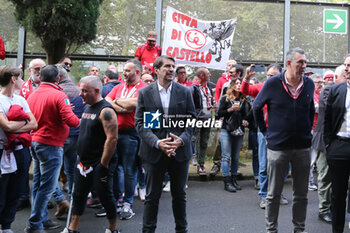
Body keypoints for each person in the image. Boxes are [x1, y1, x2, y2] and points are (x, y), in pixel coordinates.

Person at [253, 48, 314, 233]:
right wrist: (266, 133)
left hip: (303, 148)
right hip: (277, 148)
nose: (304, 66)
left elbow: (310, 109)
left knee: (301, 195)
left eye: (304, 62)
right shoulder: (273, 83)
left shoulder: (309, 84)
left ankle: (299, 229)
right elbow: (256, 107)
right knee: (273, 195)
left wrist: (306, 131)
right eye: (300, 62)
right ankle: (271, 230)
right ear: (289, 63)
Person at [135, 55, 196, 233]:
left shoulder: (184, 92)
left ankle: (181, 230)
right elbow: (141, 124)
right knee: (152, 197)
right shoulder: (145, 93)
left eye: (173, 66)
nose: (171, 69)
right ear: (156, 70)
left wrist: (182, 140)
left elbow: (191, 120)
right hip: (154, 153)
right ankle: (148, 230)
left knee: (179, 196)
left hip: (180, 153)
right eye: (167, 66)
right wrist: (157, 143)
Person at [25, 65, 80, 233]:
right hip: (51, 145)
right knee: (47, 186)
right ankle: (35, 223)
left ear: (40, 78)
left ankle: (39, 218)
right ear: (58, 79)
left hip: (35, 142)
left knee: (38, 184)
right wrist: (84, 121)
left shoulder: (33, 95)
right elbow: (71, 121)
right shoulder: (59, 95)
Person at [61, 75, 119, 233]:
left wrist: (104, 164)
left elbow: (112, 138)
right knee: (78, 195)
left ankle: (112, 229)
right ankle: (72, 228)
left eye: (85, 91)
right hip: (83, 162)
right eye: (81, 90)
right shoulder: (87, 106)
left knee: (105, 196)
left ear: (97, 90)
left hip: (100, 163)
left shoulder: (106, 110)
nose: (81, 94)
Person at [241, 63, 289, 209]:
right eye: (268, 75)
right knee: (264, 164)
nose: (269, 78)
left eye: (273, 76)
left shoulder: (287, 89)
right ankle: (264, 195)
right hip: (266, 132)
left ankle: (277, 193)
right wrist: (247, 77)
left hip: (283, 133)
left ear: (281, 75)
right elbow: (246, 90)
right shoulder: (263, 87)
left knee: (283, 166)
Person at [106, 59, 147, 220]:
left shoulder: (144, 88)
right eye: (124, 70)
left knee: (130, 170)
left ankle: (128, 204)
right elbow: (106, 102)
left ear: (137, 72)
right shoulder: (118, 87)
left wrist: (116, 103)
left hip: (131, 134)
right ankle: (118, 200)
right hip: (114, 133)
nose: (124, 73)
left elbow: (136, 103)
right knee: (116, 169)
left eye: (128, 70)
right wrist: (122, 106)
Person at [0, 66, 37, 233]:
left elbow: (34, 123)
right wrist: (24, 123)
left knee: (16, 190)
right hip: (2, 150)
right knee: (1, 190)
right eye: (20, 77)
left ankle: (7, 226)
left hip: (20, 151)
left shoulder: (21, 100)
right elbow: (6, 125)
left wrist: (16, 125)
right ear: (13, 79)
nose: (22, 81)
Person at [312, 65, 346, 225]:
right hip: (325, 142)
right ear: (337, 77)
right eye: (345, 76)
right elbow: (331, 112)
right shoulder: (329, 90)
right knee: (325, 176)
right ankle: (323, 210)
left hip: (338, 143)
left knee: (337, 179)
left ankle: (333, 208)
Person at [324, 54, 350, 233]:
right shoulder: (336, 90)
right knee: (338, 194)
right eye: (346, 65)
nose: (347, 68)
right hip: (339, 147)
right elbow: (327, 121)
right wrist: (329, 146)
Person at [56, 65, 84, 212]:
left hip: (58, 135)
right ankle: (74, 199)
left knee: (52, 171)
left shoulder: (57, 93)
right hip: (75, 135)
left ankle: (59, 199)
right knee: (72, 169)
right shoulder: (79, 91)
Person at [217, 77, 249, 192]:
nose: (239, 85)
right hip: (226, 129)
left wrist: (246, 120)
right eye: (237, 83)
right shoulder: (226, 99)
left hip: (239, 130)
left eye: (241, 83)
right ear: (232, 85)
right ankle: (227, 182)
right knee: (226, 156)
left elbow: (247, 114)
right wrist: (229, 110)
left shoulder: (244, 99)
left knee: (235, 157)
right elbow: (218, 113)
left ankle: (234, 179)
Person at [191, 67, 215, 175]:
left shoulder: (209, 86)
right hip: (197, 118)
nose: (209, 75)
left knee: (204, 142)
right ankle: (192, 157)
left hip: (208, 117)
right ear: (201, 76)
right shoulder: (194, 87)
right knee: (193, 138)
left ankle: (201, 164)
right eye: (208, 74)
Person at [308, 73, 323, 192]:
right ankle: (308, 181)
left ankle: (310, 181)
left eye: (321, 82)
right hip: (311, 129)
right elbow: (317, 108)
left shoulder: (319, 94)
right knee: (310, 158)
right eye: (318, 82)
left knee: (314, 158)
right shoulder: (311, 94)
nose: (321, 84)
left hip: (318, 129)